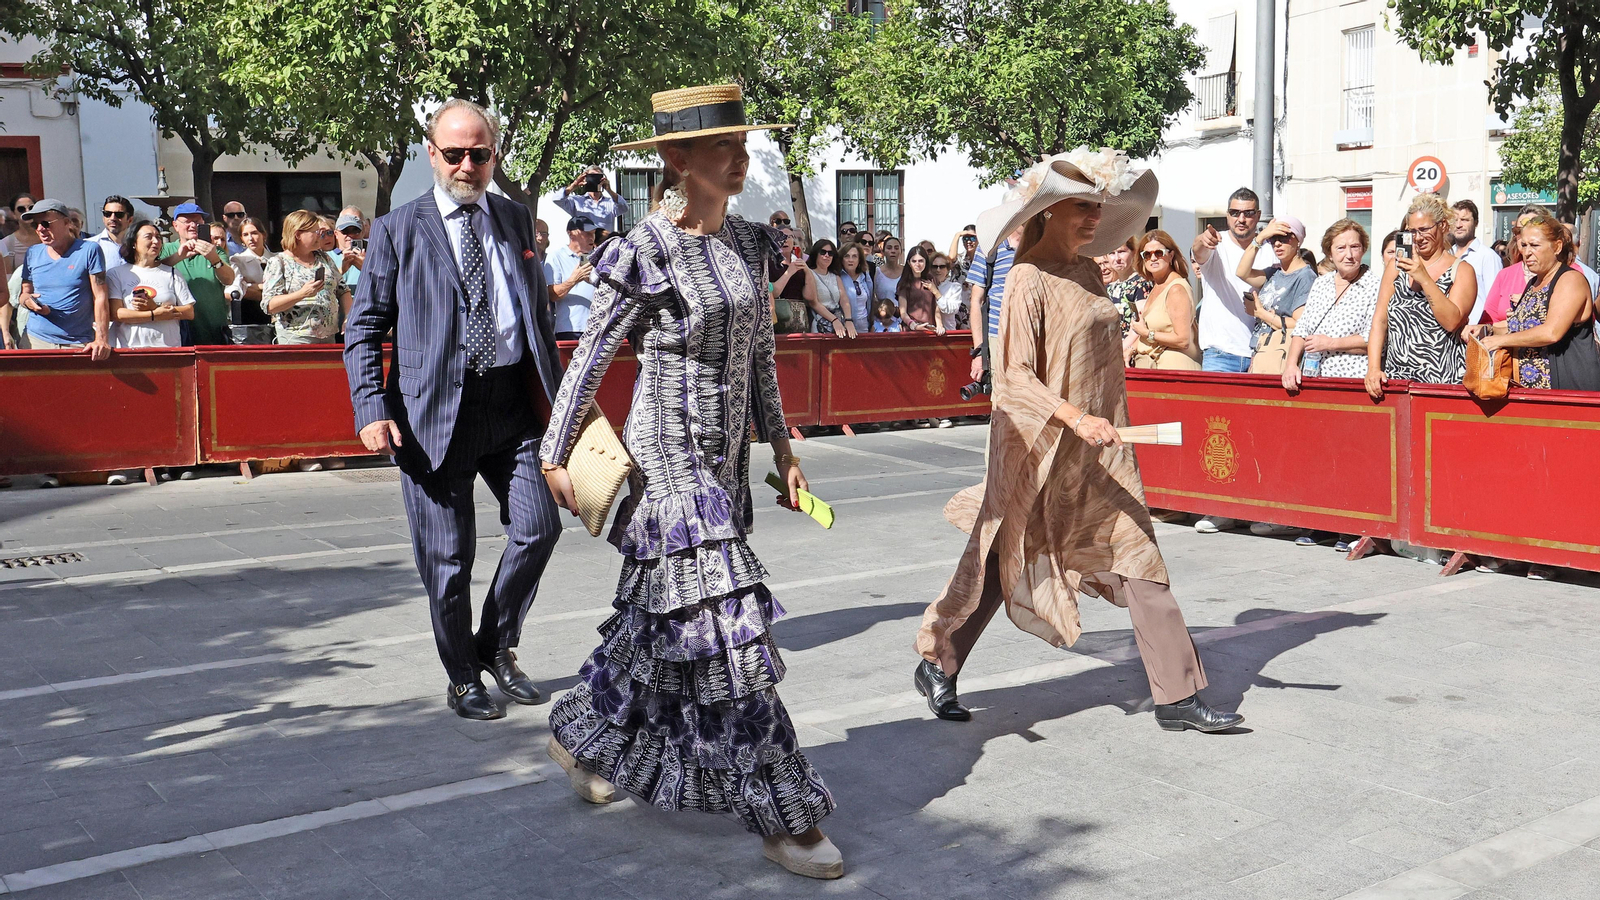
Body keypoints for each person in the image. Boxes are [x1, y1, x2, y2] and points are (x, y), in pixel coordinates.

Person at [537, 84, 840, 879]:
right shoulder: (643, 248)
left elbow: (762, 357)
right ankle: (788, 816)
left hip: (725, 467)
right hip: (666, 468)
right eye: (722, 148)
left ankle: (581, 732)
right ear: (676, 160)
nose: (741, 160)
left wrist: (783, 443)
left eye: (743, 145)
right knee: (730, 634)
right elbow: (592, 355)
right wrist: (552, 454)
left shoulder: (749, 242)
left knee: (665, 630)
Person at [914, 148, 1242, 734]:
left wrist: (1102, 418)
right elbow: (1013, 374)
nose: (1095, 219)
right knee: (1002, 556)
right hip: (1037, 446)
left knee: (1141, 555)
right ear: (1049, 211)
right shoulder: (1024, 279)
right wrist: (1074, 416)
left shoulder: (1091, 272)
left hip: (1102, 447)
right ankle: (939, 659)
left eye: (1100, 207)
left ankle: (1177, 696)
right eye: (1082, 207)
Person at [343, 97, 564, 722]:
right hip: (430, 414)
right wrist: (368, 407)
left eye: (480, 153)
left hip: (510, 405)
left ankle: (493, 644)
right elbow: (364, 329)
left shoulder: (516, 221)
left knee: (539, 527)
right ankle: (462, 673)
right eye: (455, 153)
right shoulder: (397, 229)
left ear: (495, 155)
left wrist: (561, 405)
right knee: (448, 559)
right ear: (432, 154)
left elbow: (536, 320)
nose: (468, 165)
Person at [1366, 193, 1477, 398]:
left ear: (1443, 226)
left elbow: (1452, 322)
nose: (1417, 238)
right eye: (1412, 232)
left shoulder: (1461, 271)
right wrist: (1373, 368)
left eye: (1424, 229)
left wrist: (1424, 278)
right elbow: (1380, 321)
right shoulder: (1396, 267)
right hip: (1396, 380)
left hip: (1442, 382)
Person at [1480, 214, 1600, 391]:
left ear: (1557, 247)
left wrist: (1500, 340)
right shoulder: (1534, 282)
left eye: (1535, 245)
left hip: (1568, 388)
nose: (1527, 252)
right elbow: (1522, 325)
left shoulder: (1570, 280)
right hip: (1532, 390)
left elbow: (1551, 332)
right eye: (1524, 245)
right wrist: (1487, 330)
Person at [1283, 219, 1381, 386]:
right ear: (1330, 253)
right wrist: (1291, 365)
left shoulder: (1375, 286)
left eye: (1355, 247)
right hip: (1312, 378)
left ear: (1363, 249)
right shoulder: (1321, 283)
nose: (1349, 255)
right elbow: (1302, 328)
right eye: (1341, 248)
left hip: (1351, 379)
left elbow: (1375, 340)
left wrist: (1331, 343)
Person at [16, 199, 112, 357]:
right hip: (35, 340)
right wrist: (29, 302)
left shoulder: (89, 250)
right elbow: (24, 293)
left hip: (78, 343)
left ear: (66, 222)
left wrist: (101, 339)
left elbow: (100, 296)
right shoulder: (33, 253)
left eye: (46, 223)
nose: (40, 229)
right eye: (36, 225)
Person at [1235, 215, 1316, 376]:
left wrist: (1261, 314)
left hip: (1281, 355)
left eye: (1285, 238)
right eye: (1273, 239)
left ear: (1298, 240)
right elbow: (1241, 272)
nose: (1277, 243)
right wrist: (1260, 239)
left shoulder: (1305, 277)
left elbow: (1299, 325)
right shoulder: (1274, 272)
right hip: (1261, 351)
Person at [1192, 187, 1261, 373]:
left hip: (1261, 355)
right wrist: (1202, 240)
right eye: (1235, 213)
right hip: (1220, 355)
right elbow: (1198, 250)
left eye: (1248, 213)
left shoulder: (1269, 249)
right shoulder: (1216, 243)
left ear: (1258, 215)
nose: (1241, 219)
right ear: (1227, 215)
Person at [261, 209, 347, 345]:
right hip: (296, 338)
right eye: (316, 232)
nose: (320, 236)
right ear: (298, 235)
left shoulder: (324, 258)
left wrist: (348, 317)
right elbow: (269, 305)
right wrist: (302, 294)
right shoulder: (279, 262)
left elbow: (343, 289)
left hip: (328, 337)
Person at [107, 219, 195, 350]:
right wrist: (154, 315)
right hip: (129, 350)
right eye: (149, 237)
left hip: (168, 350)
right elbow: (117, 313)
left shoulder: (172, 273)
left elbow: (189, 312)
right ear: (133, 243)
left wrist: (156, 307)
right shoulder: (116, 274)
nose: (156, 241)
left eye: (158, 237)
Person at [160, 202, 235, 344]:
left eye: (197, 221)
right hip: (177, 332)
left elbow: (229, 279)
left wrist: (214, 259)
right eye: (187, 221)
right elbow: (152, 271)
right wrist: (179, 256)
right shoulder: (166, 250)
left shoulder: (215, 251)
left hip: (213, 330)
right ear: (175, 225)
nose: (193, 225)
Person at [1128, 230, 1200, 369]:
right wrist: (1131, 349)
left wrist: (1146, 333)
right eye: (1147, 255)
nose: (1153, 258)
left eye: (1159, 253)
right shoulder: (1157, 286)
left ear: (1171, 255)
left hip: (1174, 371)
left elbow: (1182, 339)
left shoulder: (1176, 289)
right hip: (1155, 369)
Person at [966, 226, 1021, 383]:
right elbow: (976, 301)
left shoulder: (1041, 247)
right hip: (998, 337)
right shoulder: (989, 246)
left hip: (1033, 337)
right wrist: (979, 353)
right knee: (1002, 402)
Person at [1450, 199, 1502, 326]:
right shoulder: (1447, 254)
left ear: (1476, 223)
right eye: (1455, 220)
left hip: (1474, 332)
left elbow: (1494, 300)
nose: (1458, 225)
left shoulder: (1488, 256)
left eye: (1465, 220)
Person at [547, 215, 598, 340]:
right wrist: (574, 279)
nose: (591, 237)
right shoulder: (556, 257)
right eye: (586, 233)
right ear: (571, 234)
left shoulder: (600, 257)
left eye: (593, 233)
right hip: (570, 328)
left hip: (599, 328)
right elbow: (551, 295)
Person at [805, 238, 853, 337]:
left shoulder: (835, 275)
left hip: (839, 322)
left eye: (830, 253)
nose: (827, 256)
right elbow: (813, 302)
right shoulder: (809, 273)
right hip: (820, 323)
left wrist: (848, 320)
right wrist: (834, 320)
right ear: (816, 254)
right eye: (823, 252)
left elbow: (844, 299)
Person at [555, 166, 625, 233]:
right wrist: (574, 185)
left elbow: (624, 208)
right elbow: (557, 199)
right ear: (586, 179)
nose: (594, 180)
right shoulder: (577, 201)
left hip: (605, 243)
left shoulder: (610, 202)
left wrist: (609, 190)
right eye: (591, 176)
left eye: (597, 177)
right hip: (584, 243)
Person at [770, 228, 813, 333]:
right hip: (780, 318)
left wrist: (807, 271)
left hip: (801, 320)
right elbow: (774, 292)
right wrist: (789, 272)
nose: (785, 240)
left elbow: (810, 297)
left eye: (789, 237)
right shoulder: (769, 263)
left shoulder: (799, 262)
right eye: (781, 237)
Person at [897, 245, 944, 334]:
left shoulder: (931, 279)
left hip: (930, 329)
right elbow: (903, 312)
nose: (917, 264)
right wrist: (913, 325)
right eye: (914, 261)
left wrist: (939, 324)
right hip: (911, 330)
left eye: (921, 261)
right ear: (909, 263)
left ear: (926, 262)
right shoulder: (904, 283)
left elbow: (936, 304)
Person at [89, 195, 134, 267]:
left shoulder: (139, 245)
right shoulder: (89, 246)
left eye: (119, 215)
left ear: (130, 220)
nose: (112, 218)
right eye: (107, 214)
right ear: (103, 218)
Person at [1, 194, 41, 273]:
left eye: (31, 208)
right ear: (14, 214)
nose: (27, 211)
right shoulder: (6, 243)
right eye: (21, 209)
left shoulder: (48, 237)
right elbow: (7, 277)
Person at [839, 242, 873, 334]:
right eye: (847, 256)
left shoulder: (865, 275)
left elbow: (870, 300)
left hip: (864, 326)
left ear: (859, 260)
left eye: (854, 256)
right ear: (841, 259)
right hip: (844, 326)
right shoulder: (837, 277)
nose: (851, 260)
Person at [332, 207, 368, 289]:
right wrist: (341, 270)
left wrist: (366, 267)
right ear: (336, 234)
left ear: (363, 232)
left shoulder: (376, 254)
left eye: (355, 230)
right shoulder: (326, 258)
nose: (351, 235)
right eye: (345, 231)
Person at [932, 253, 968, 330]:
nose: (938, 270)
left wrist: (936, 292)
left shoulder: (954, 287)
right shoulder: (925, 285)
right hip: (928, 333)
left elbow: (952, 309)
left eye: (942, 267)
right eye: (935, 267)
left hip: (947, 332)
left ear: (948, 270)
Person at [872, 234, 905, 304]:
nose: (893, 251)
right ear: (883, 251)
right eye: (889, 248)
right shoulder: (877, 272)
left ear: (901, 252)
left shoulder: (907, 271)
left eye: (896, 248)